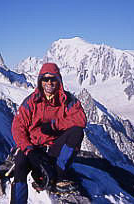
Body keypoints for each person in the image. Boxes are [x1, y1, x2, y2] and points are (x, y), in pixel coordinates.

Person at [10, 63, 87, 203]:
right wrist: (29, 150)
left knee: (77, 132)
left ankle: (59, 173)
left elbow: (81, 119)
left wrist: (54, 125)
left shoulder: (67, 100)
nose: (49, 83)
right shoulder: (31, 102)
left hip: (53, 147)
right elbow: (17, 127)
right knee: (20, 165)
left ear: (59, 81)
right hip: (33, 147)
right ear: (40, 81)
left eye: (53, 79)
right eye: (45, 79)